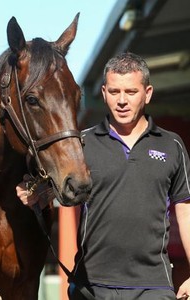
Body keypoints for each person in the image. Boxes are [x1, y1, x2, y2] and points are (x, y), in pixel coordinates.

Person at [16, 52, 190, 300]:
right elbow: (48, 192)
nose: (122, 100)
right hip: (92, 287)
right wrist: (33, 193)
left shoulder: (171, 145)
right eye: (114, 91)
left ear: (147, 94)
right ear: (104, 92)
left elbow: (186, 211)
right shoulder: (81, 145)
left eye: (131, 92)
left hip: (153, 286)